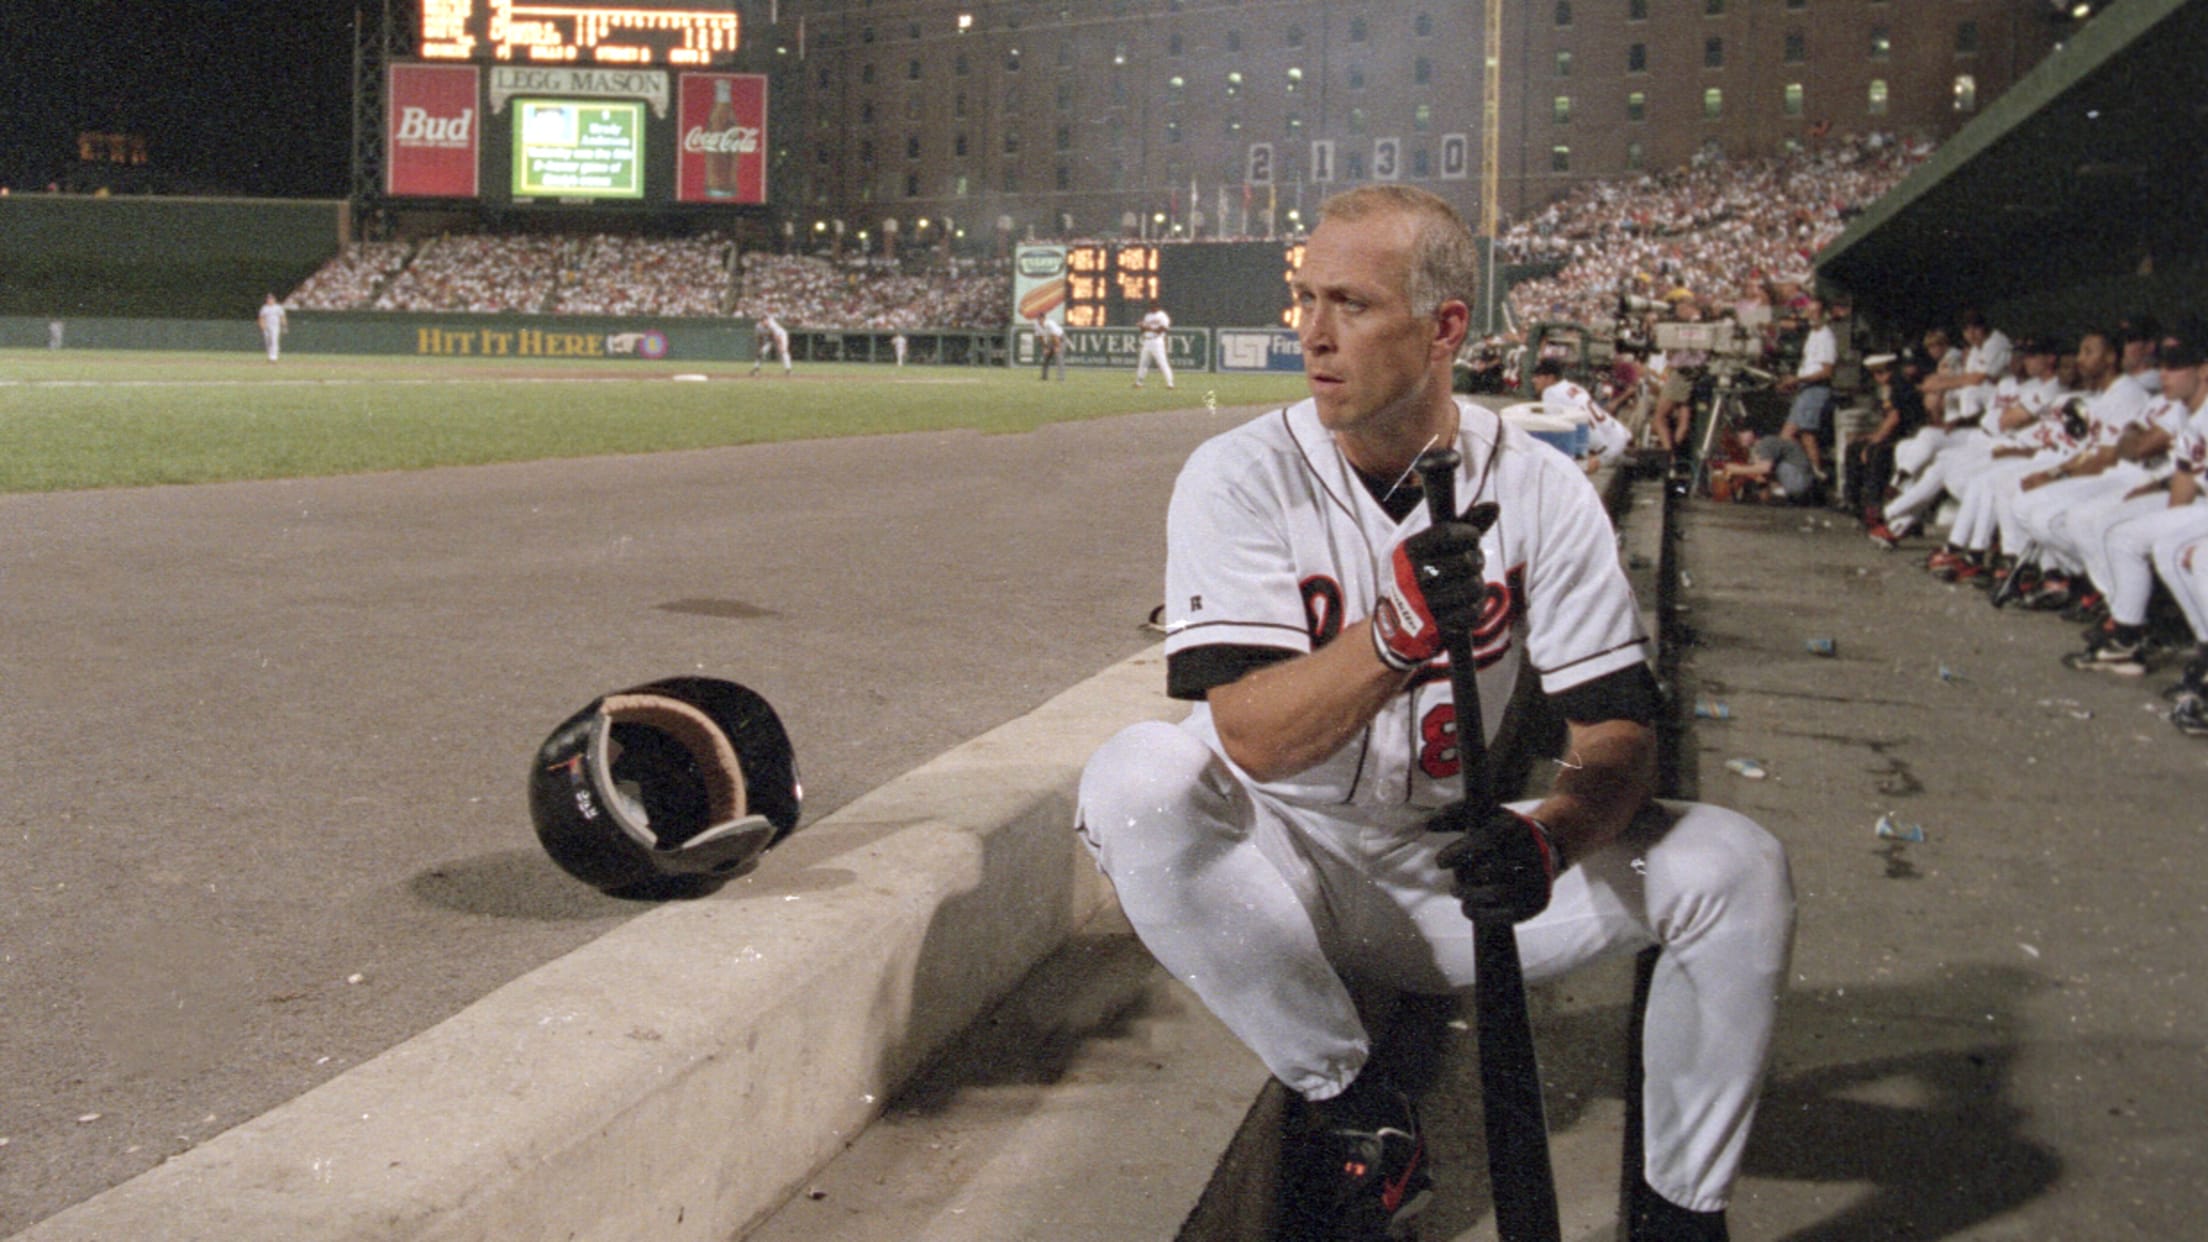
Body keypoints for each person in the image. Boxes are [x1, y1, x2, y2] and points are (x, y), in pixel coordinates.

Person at [1076, 185, 1793, 1242]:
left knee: (1736, 865)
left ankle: (1681, 1215)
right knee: (1137, 781)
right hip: (1274, 866)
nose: (1312, 334)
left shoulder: (1541, 493)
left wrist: (1557, 835)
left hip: (1448, 870)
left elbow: (1618, 736)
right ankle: (1358, 1108)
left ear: (1445, 326)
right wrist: (1395, 639)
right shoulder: (1239, 473)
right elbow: (1252, 738)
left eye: (1352, 305)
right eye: (1306, 298)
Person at [1773, 299, 1836, 485]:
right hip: (1804, 389)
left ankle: (1816, 475)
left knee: (1806, 435)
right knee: (1787, 435)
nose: (1811, 316)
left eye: (1815, 312)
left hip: (1815, 390)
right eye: (1809, 311)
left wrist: (1798, 380)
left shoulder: (1826, 336)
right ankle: (1795, 475)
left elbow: (1826, 371)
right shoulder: (1812, 335)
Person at [1712, 426, 1818, 505]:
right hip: (1797, 480)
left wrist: (1736, 469)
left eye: (1744, 432)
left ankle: (1782, 495)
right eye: (1739, 433)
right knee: (1758, 477)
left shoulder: (1766, 443)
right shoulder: (1757, 449)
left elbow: (1764, 468)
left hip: (1798, 479)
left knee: (1761, 471)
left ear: (1753, 433)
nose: (1740, 436)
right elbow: (1760, 475)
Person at [1134, 301, 1175, 389]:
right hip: (1147, 341)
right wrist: (1141, 326)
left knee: (1162, 362)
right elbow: (1143, 330)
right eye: (1150, 306)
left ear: (1157, 307)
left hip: (1157, 341)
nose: (1151, 308)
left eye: (1153, 306)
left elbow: (1162, 329)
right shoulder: (1148, 315)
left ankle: (1170, 383)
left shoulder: (1162, 316)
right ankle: (1139, 382)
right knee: (1143, 363)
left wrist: (1148, 328)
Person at [749, 313, 792, 377]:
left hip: (781, 335)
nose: (765, 322)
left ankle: (788, 370)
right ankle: (756, 369)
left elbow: (777, 337)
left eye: (766, 320)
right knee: (760, 353)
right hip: (770, 338)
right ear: (761, 321)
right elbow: (759, 338)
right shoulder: (758, 326)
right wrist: (760, 347)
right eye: (763, 320)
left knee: (783, 351)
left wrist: (780, 346)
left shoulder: (772, 325)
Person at [1036, 314, 1067, 381]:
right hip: (1050, 340)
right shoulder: (1037, 325)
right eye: (1038, 319)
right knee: (1046, 358)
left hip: (1060, 339)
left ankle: (1061, 378)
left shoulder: (1050, 324)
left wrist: (1057, 347)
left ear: (1044, 319)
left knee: (1059, 357)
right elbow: (1040, 337)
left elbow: (1055, 336)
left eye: (1040, 319)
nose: (1039, 321)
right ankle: (1044, 377)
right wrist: (1045, 347)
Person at [258, 293, 288, 363]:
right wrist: (262, 326)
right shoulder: (264, 308)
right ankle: (270, 356)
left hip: (275, 326)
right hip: (266, 326)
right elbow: (261, 318)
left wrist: (284, 326)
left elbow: (282, 317)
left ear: (274, 299)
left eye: (271, 299)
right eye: (268, 299)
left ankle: (274, 357)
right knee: (268, 341)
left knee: (274, 341)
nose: (270, 300)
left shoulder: (278, 307)